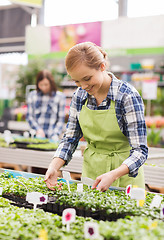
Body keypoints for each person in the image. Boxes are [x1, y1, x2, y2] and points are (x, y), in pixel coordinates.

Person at [45, 42, 148, 192]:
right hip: (91, 175)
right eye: (77, 81)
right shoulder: (79, 97)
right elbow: (70, 139)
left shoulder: (127, 96)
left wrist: (114, 174)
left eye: (87, 78)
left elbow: (140, 151)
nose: (83, 86)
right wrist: (54, 166)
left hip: (125, 178)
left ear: (102, 66)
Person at [26, 69, 66, 141]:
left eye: (46, 84)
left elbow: (60, 120)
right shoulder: (32, 95)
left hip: (53, 137)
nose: (43, 87)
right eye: (41, 85)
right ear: (37, 84)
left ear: (51, 83)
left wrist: (55, 134)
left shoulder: (60, 97)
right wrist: (38, 130)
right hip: (36, 136)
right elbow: (29, 117)